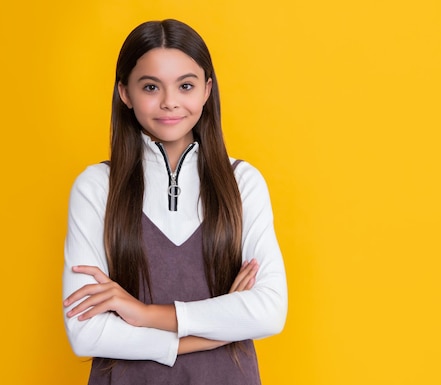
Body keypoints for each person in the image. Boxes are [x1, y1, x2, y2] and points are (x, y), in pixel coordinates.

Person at [62, 19, 288, 385]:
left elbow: (270, 311)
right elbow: (86, 333)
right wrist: (211, 330)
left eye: (185, 85)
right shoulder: (96, 187)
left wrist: (144, 313)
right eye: (151, 86)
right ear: (124, 92)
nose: (170, 102)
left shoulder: (242, 183)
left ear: (206, 90)